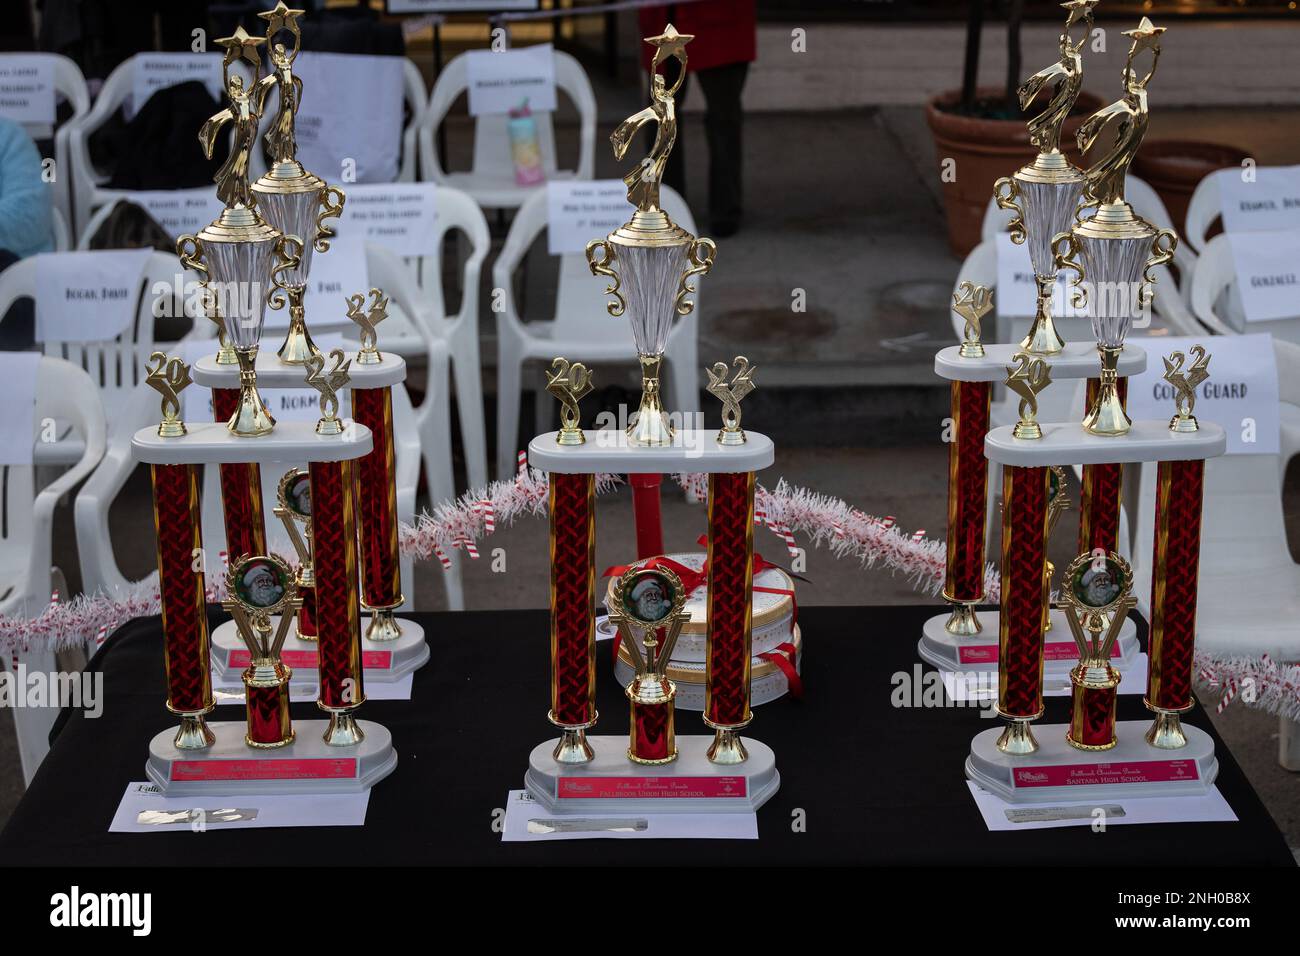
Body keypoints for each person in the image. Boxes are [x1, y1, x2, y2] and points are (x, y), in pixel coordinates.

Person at [638, 1, 756, 237]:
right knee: (661, 116)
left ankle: (725, 209)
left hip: (721, 20)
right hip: (664, 17)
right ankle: (665, 205)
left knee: (723, 117)